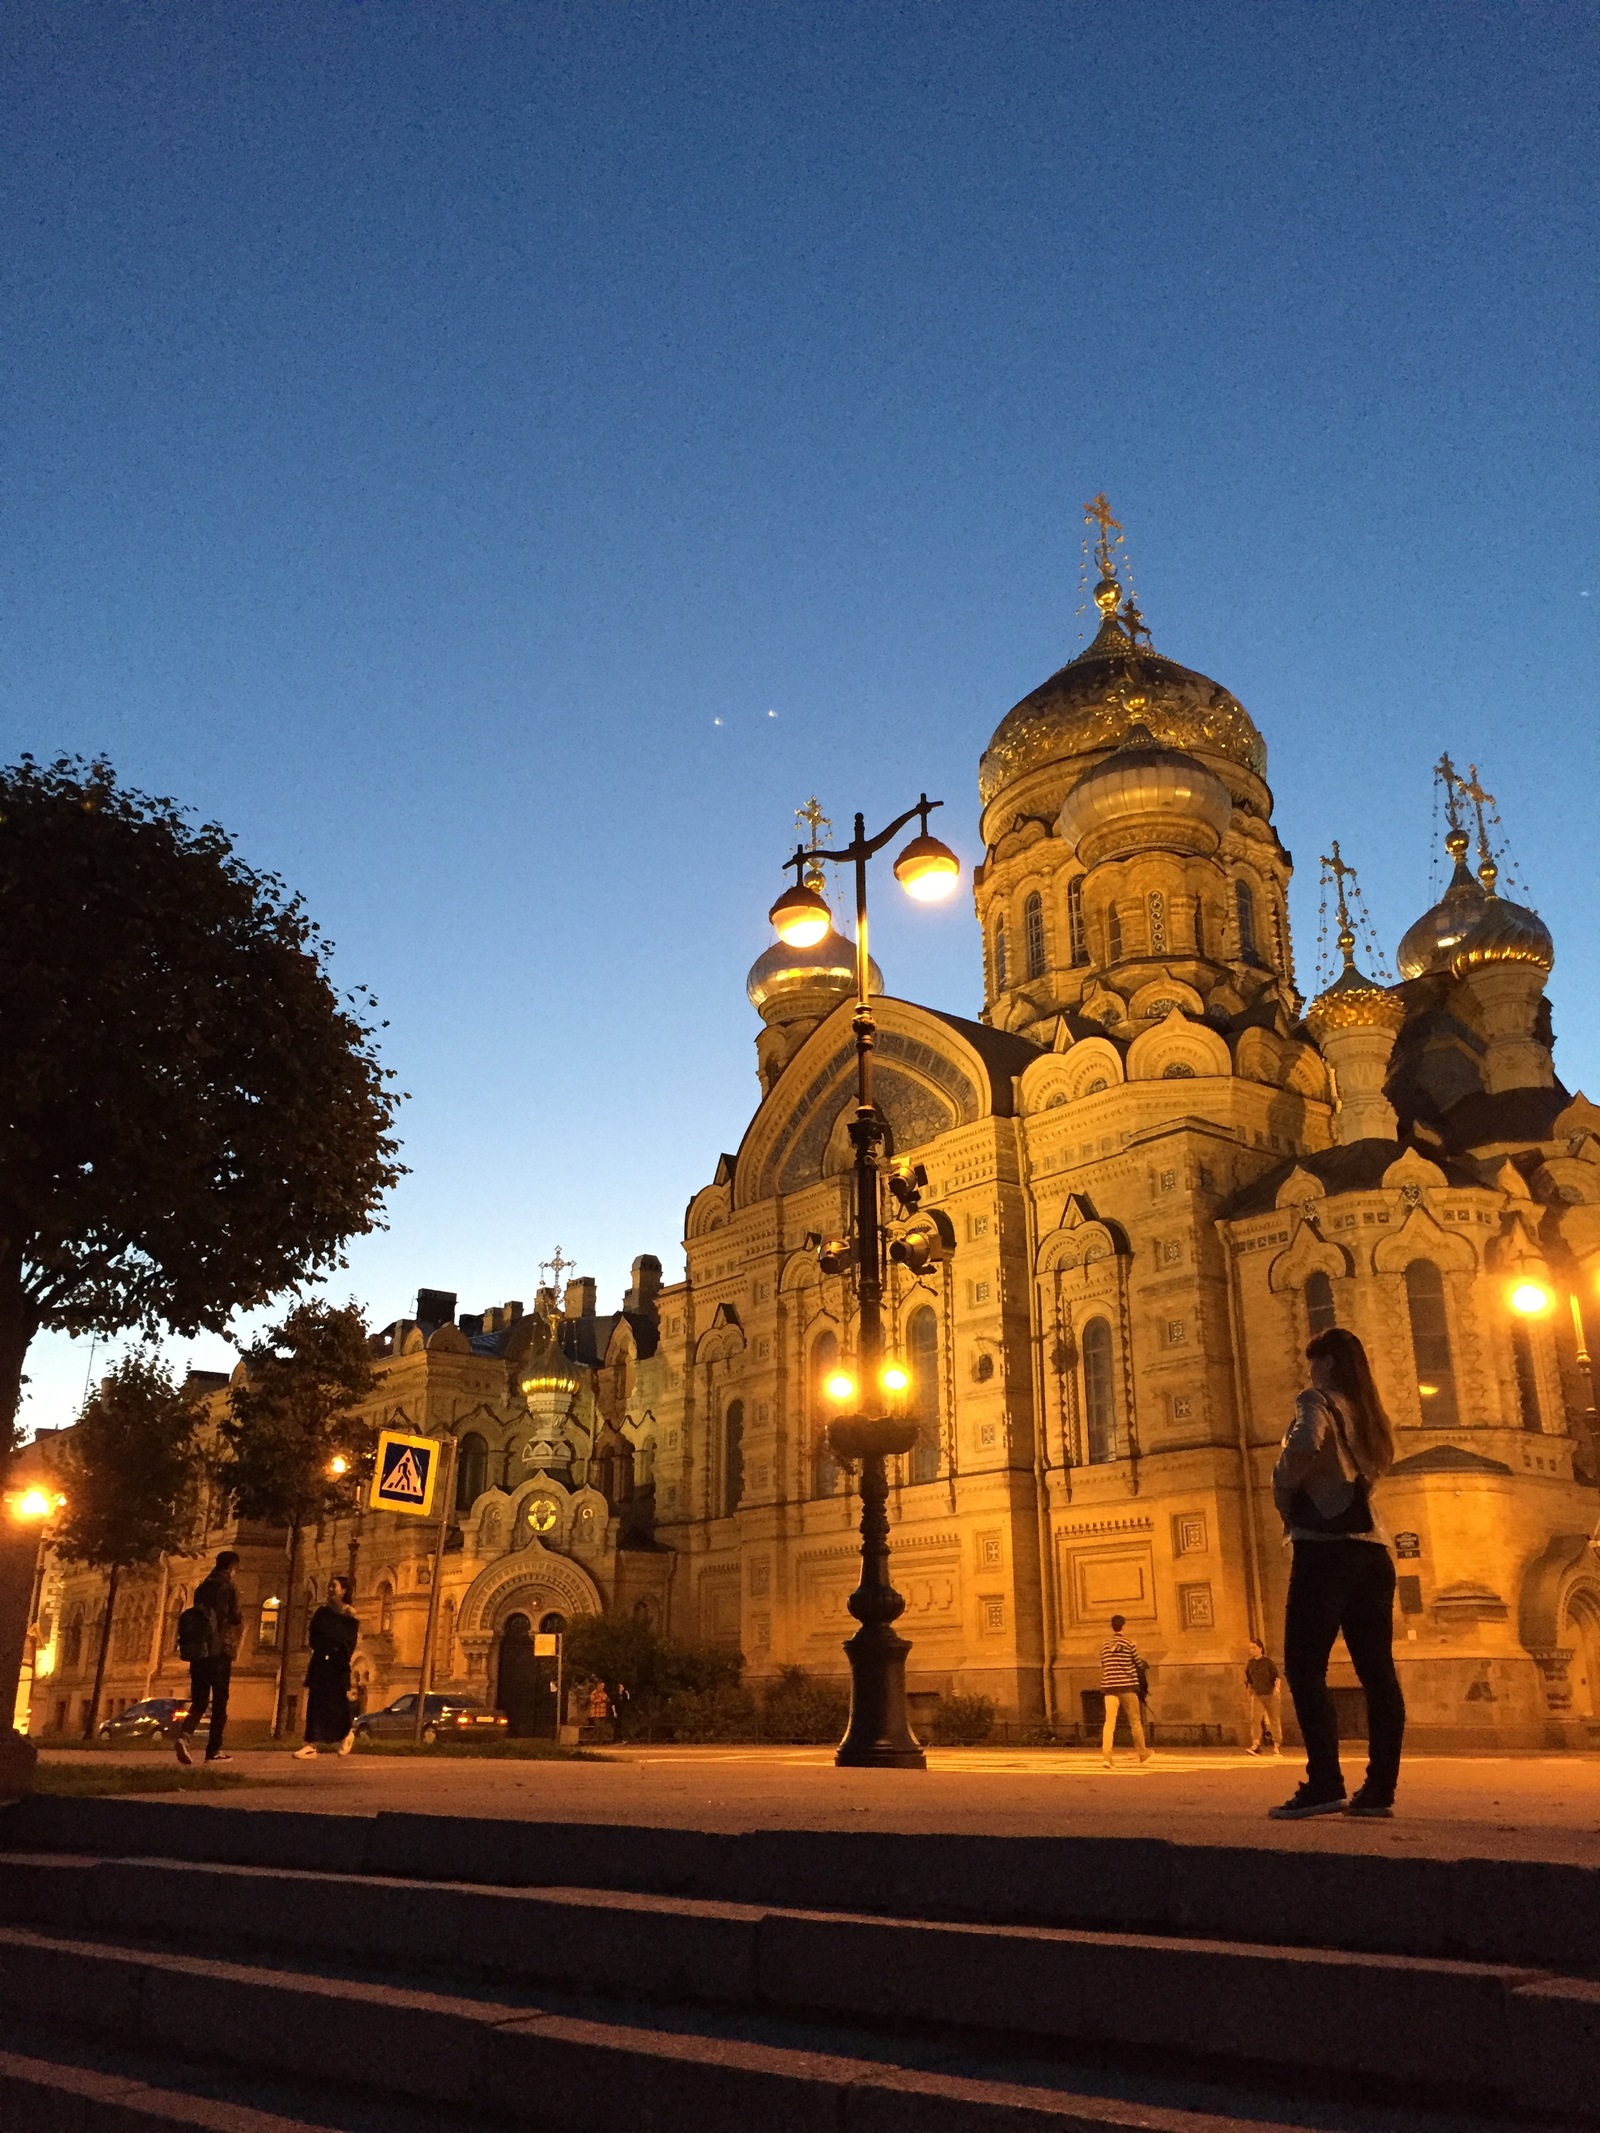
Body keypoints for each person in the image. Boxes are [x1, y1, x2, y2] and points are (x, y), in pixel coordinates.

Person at [1269, 1325, 1404, 1820]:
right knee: (1378, 1673)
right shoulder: (1370, 1412)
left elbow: (1304, 1445)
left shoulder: (1316, 1399)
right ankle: (1379, 1791)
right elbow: (1378, 1466)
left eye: (1313, 1361)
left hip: (1324, 1552)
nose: (1310, 1370)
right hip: (1374, 1552)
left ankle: (1325, 1781)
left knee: (1305, 1668)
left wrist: (1282, 1484)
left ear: (1324, 1363)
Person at [175, 1550, 242, 1765]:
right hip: (219, 1650)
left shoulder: (203, 1586)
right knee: (220, 1701)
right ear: (233, 1567)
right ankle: (213, 1751)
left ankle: (184, 1737)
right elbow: (232, 1617)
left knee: (200, 1700)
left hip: (199, 1650)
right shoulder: (228, 1587)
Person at [293, 1576, 359, 1759]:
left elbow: (348, 1642)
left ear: (344, 1590)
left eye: (334, 1586)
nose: (330, 1589)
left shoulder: (349, 1615)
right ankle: (311, 1745)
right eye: (329, 1585)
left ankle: (346, 1734)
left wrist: (332, 1645)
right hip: (320, 1663)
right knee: (315, 1704)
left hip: (337, 1666)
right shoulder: (322, 1612)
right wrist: (325, 1645)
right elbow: (313, 1635)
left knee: (336, 1704)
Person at [1099, 1614, 1152, 1768]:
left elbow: (1104, 1663)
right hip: (1128, 1686)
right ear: (1124, 1626)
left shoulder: (1105, 1646)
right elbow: (1138, 1663)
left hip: (1109, 1687)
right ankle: (1142, 1753)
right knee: (1135, 1721)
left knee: (1109, 1723)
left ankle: (1107, 1757)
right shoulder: (1129, 1644)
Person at [1243, 1638, 1283, 1755]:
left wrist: (1277, 1688)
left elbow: (1276, 1677)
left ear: (1260, 1648)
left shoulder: (1268, 1662)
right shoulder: (1250, 1663)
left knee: (1274, 1719)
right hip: (1257, 1694)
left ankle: (1277, 1745)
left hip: (1271, 1694)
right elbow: (1249, 1679)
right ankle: (1256, 1745)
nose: (1252, 1650)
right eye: (1250, 1648)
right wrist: (1248, 1689)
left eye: (1254, 1648)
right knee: (1255, 1719)